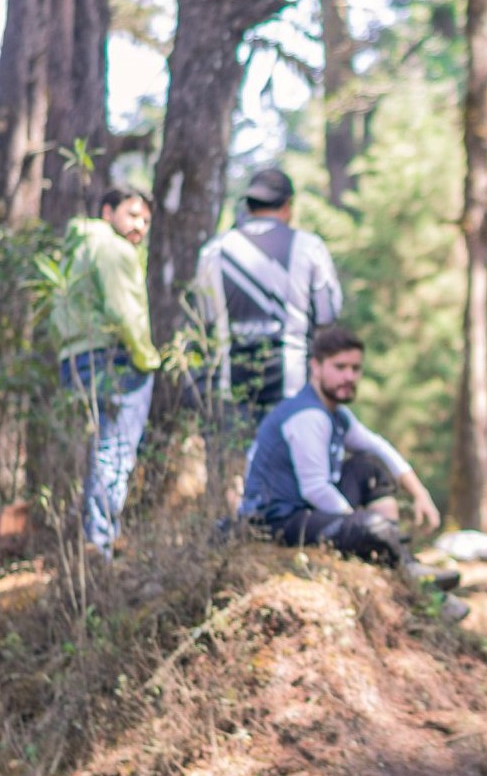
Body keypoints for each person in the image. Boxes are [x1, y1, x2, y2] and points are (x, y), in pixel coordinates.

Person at [239, 325, 458, 592]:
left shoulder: (337, 414)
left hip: (306, 511)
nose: (349, 376)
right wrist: (359, 525)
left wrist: (419, 493)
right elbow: (315, 488)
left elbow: (379, 447)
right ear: (316, 367)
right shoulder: (309, 416)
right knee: (368, 526)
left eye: (355, 369)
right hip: (277, 521)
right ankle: (408, 572)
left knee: (369, 468)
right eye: (340, 367)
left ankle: (407, 570)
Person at [47, 187, 158, 560]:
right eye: (132, 214)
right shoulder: (113, 249)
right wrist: (146, 359)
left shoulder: (77, 248)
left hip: (74, 360)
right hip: (112, 359)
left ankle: (93, 539)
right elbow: (123, 311)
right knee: (115, 453)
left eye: (145, 219)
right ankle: (100, 544)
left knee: (98, 452)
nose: (139, 225)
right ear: (108, 211)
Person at [195, 167, 344, 423]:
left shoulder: (215, 250)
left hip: (232, 387)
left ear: (249, 206)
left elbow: (203, 315)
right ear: (288, 206)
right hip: (294, 386)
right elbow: (328, 313)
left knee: (236, 462)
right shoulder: (309, 246)